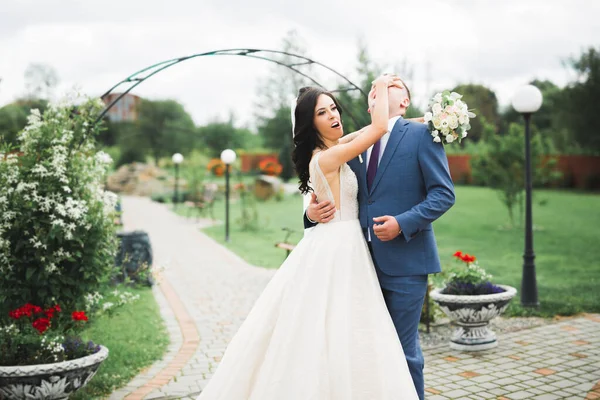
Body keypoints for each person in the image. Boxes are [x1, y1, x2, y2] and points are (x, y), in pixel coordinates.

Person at [197, 75, 419, 399]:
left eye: (333, 108)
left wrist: (420, 120)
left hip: (343, 245)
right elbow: (379, 128)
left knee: (346, 328)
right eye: (322, 114)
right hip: (337, 249)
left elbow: (372, 130)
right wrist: (383, 85)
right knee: (331, 328)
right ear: (309, 124)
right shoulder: (326, 157)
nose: (333, 116)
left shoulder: (335, 148)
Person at [305, 76, 455, 400]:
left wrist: (402, 223)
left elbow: (444, 194)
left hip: (406, 263)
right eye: (375, 92)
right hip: (360, 267)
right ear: (370, 104)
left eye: (389, 90)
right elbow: (330, 195)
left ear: (404, 102)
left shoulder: (421, 135)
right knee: (367, 352)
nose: (379, 94)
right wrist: (310, 214)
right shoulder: (355, 143)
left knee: (403, 351)